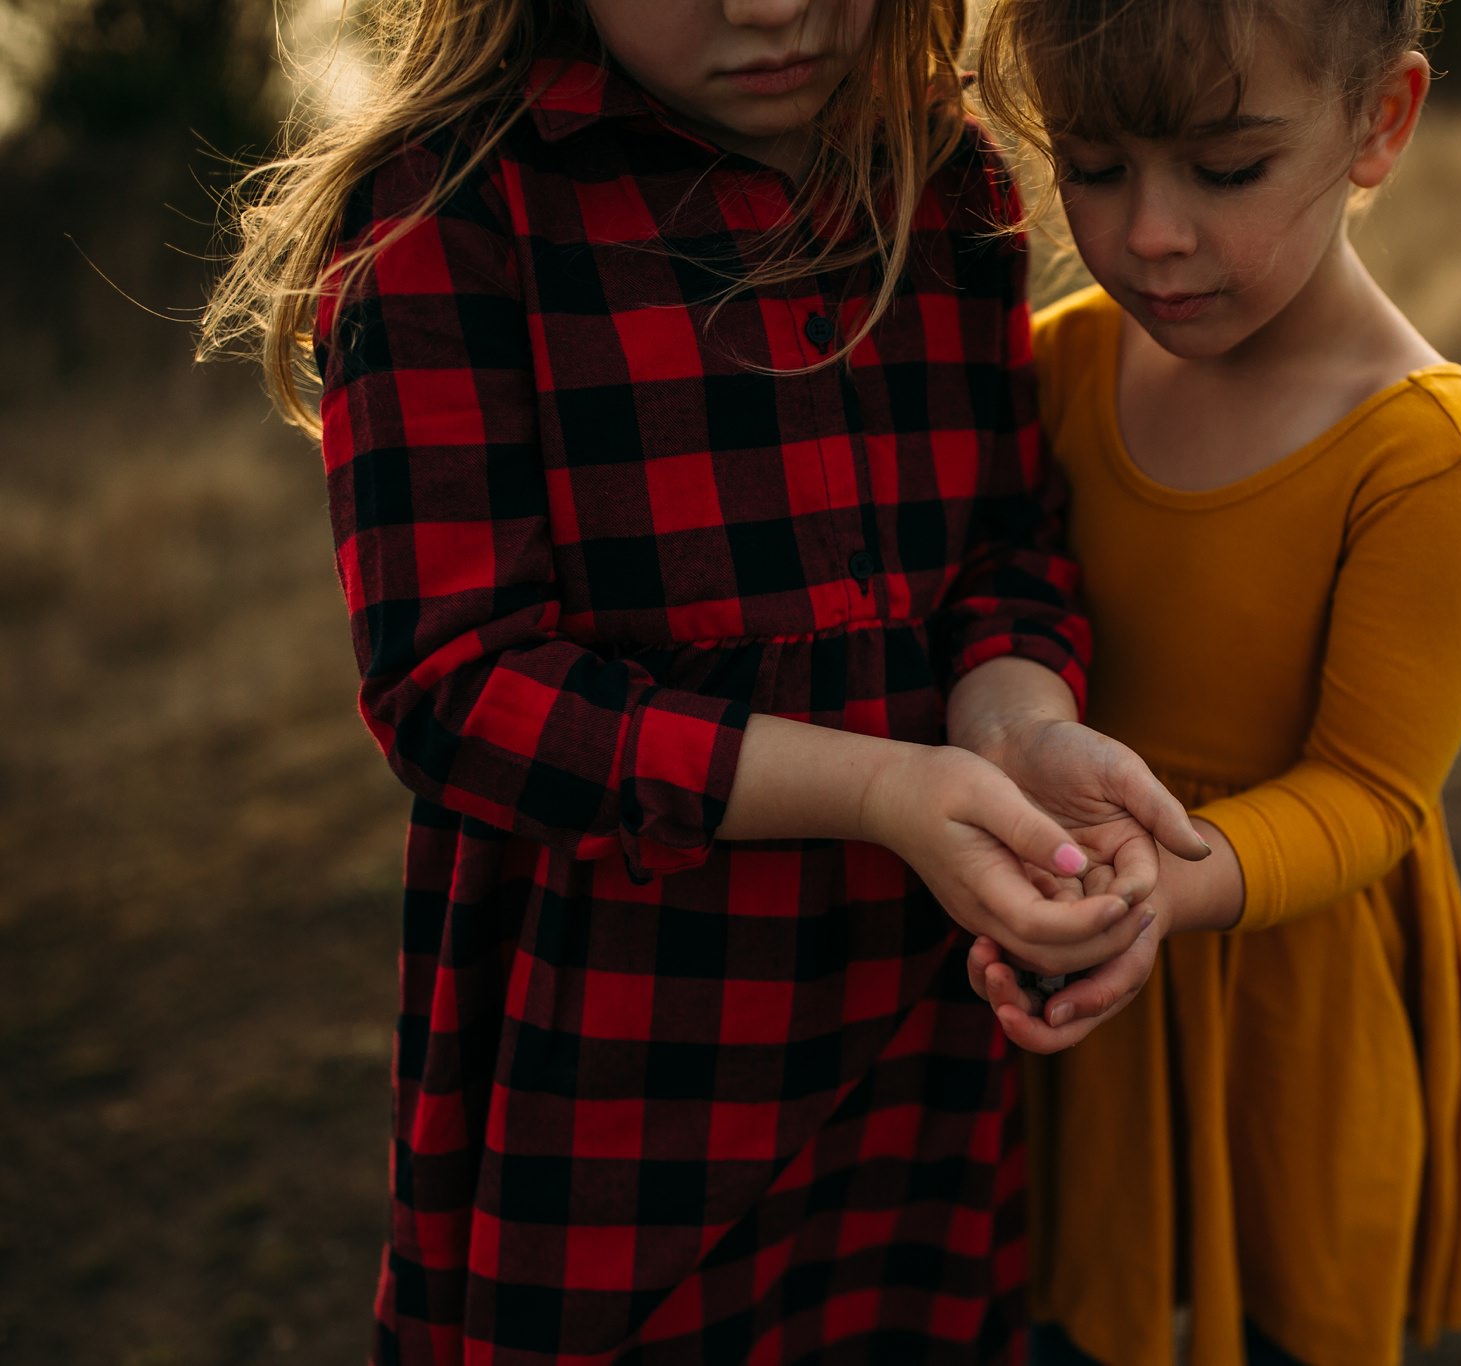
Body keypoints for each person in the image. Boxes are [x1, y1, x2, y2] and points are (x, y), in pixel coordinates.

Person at [199, 0, 1211, 1359]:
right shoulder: (454, 211)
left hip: (916, 1035)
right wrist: (878, 788)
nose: (770, 6)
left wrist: (1020, 727)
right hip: (623, 1069)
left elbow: (1001, 551)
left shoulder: (942, 176)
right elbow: (453, 681)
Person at [963, 0, 1461, 1360]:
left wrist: (1169, 882)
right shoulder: (1063, 362)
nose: (1150, 232)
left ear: (1378, 123)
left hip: (1289, 1007)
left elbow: (1370, 791)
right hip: (1085, 984)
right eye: (1093, 166)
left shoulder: (1423, 453)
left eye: (1225, 170)